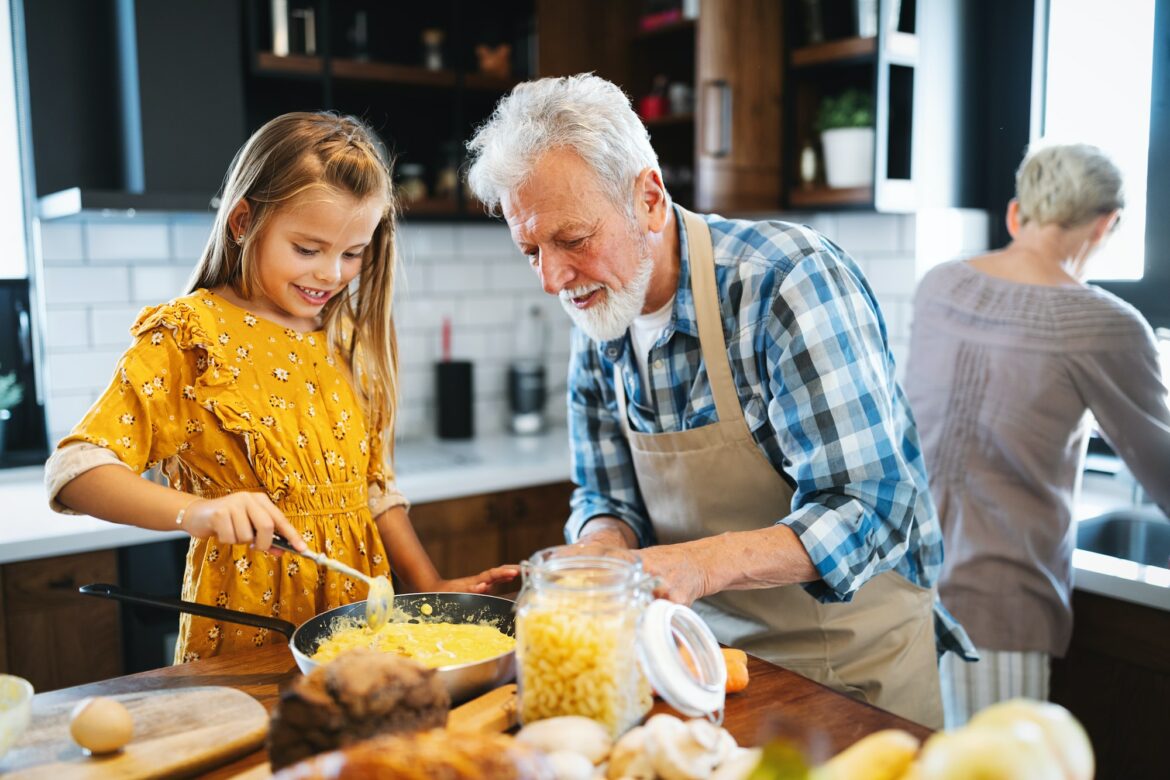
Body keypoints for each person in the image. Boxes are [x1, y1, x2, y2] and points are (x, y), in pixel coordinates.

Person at [466, 74, 974, 728]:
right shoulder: (597, 311)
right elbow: (607, 497)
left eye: (571, 239)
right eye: (530, 250)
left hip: (853, 671)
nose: (551, 279)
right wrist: (598, 553)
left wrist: (698, 565)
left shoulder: (784, 281)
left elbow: (873, 505)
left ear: (648, 199)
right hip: (706, 666)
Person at [45, 111, 517, 662]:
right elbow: (73, 471)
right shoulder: (191, 336)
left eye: (352, 253)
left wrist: (432, 591)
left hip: (364, 632)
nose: (332, 274)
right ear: (244, 222)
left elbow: (373, 492)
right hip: (248, 633)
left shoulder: (345, 339)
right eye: (308, 249)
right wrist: (194, 512)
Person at [903, 142, 1170, 727]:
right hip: (999, 610)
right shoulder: (1106, 324)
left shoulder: (940, 283)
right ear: (1107, 225)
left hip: (899, 599)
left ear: (1015, 215)